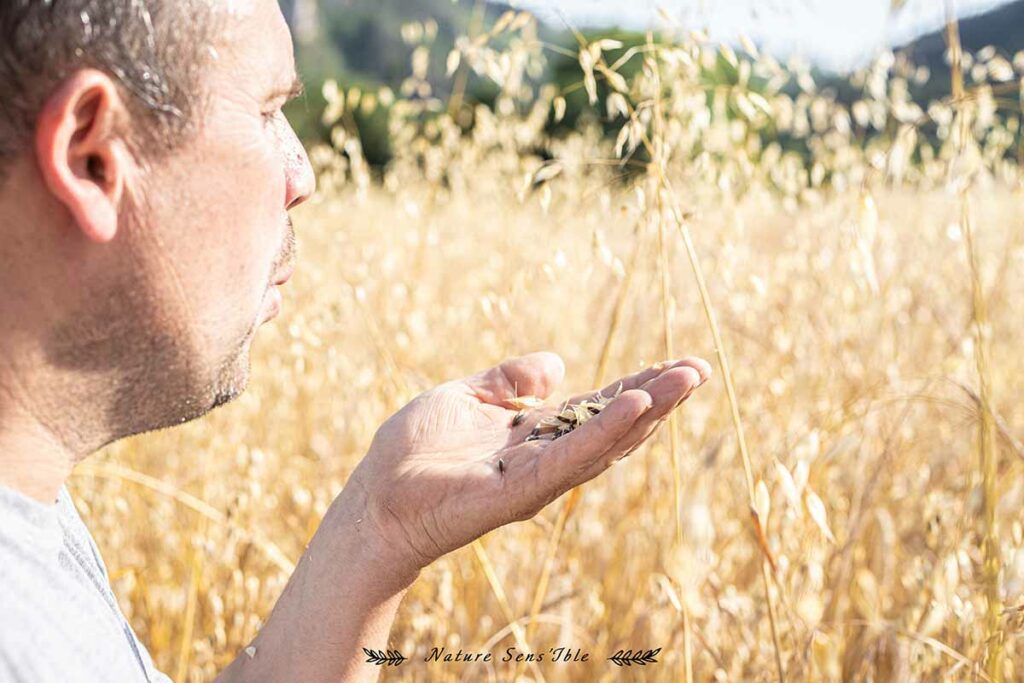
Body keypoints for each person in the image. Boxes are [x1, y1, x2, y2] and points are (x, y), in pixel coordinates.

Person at [0, 0, 711, 680]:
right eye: (267, 112)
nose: (303, 175)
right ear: (92, 156)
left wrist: (379, 529)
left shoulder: (31, 519)